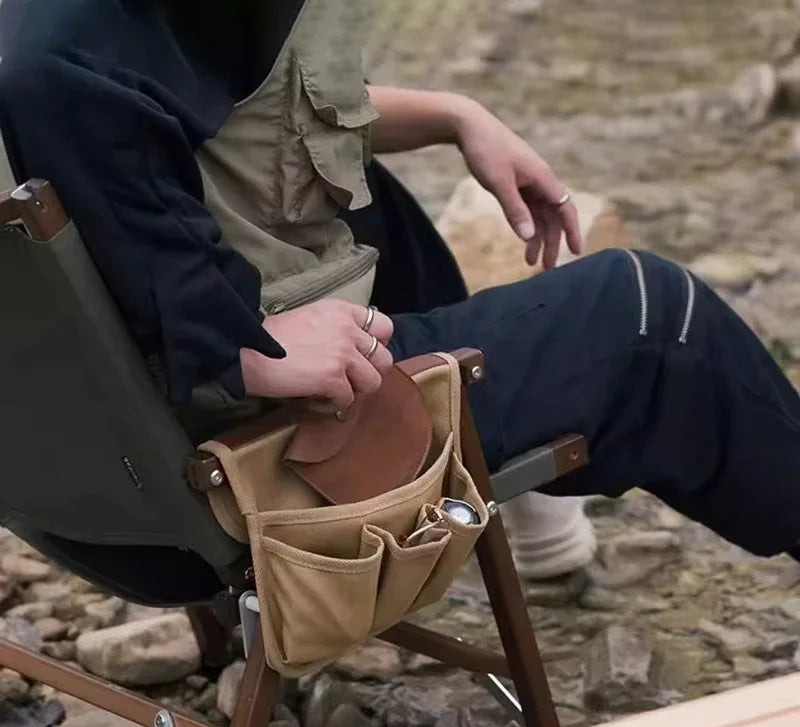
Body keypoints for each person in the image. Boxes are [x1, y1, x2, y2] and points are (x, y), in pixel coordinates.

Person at [1, 0, 799, 568]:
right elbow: (66, 89)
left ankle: (529, 493)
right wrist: (241, 342)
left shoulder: (66, 36)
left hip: (82, 499)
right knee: (653, 315)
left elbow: (251, 116)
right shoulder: (53, 71)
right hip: (239, 470)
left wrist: (456, 115)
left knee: (361, 192)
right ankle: (519, 449)